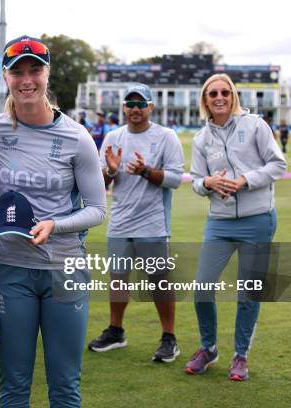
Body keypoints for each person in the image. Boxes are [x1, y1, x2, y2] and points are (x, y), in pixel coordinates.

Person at [0, 35, 107, 407]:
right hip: (11, 268)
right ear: (5, 77)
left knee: (65, 384)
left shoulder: (77, 137)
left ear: (47, 74)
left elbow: (97, 210)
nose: (26, 80)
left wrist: (56, 223)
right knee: (14, 384)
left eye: (34, 70)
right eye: (16, 71)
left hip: (64, 267)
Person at [186, 73, 286, 381]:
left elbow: (277, 165)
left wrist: (244, 180)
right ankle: (208, 348)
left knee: (249, 294)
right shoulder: (201, 139)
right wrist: (208, 182)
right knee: (202, 289)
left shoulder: (255, 125)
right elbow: (195, 181)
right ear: (205, 99)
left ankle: (240, 356)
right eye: (213, 93)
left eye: (225, 92)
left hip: (258, 221)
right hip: (219, 223)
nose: (219, 97)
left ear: (233, 96)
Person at [87, 83, 185, 362]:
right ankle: (116, 331)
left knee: (159, 281)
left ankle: (169, 338)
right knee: (118, 280)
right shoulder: (113, 138)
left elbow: (176, 179)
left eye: (141, 104)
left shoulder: (166, 137)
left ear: (151, 107)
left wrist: (145, 171)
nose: (135, 109)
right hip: (120, 221)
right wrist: (111, 170)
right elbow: (100, 183)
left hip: (153, 222)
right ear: (124, 108)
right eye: (130, 104)